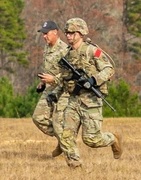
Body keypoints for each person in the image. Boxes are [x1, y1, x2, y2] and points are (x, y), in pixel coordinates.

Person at [56, 18, 122, 169]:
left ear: (81, 33)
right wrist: (56, 92)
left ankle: (113, 139)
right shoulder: (67, 55)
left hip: (90, 100)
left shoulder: (93, 51)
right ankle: (75, 167)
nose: (68, 36)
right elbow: (63, 78)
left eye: (72, 33)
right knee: (66, 136)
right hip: (73, 99)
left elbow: (108, 69)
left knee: (91, 139)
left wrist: (93, 80)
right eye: (67, 33)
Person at [32, 19, 68, 156]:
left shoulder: (64, 50)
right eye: (43, 33)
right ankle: (63, 139)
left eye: (46, 33)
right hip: (49, 88)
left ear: (55, 32)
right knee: (38, 117)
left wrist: (54, 79)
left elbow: (69, 74)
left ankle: (66, 147)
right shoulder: (47, 48)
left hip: (63, 90)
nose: (44, 36)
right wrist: (43, 82)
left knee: (59, 123)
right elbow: (49, 68)